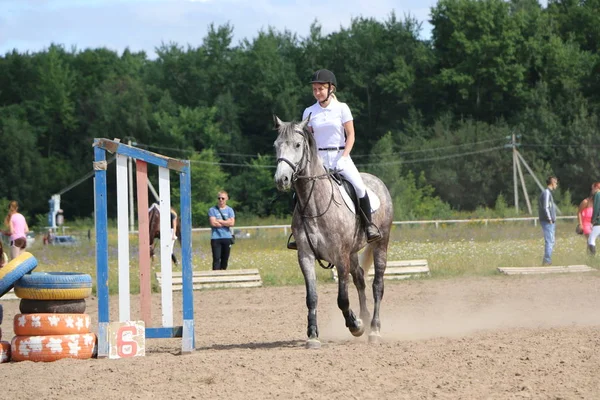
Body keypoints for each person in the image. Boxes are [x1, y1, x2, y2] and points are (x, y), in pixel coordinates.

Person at [287, 69, 381, 250]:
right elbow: (308, 138)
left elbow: (351, 135)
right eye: (314, 89)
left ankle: (369, 226)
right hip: (318, 159)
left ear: (331, 88)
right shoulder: (309, 111)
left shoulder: (342, 108)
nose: (317, 92)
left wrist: (345, 157)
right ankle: (297, 232)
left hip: (340, 155)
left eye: (320, 88)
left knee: (359, 187)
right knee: (297, 193)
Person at [208, 191, 235, 270]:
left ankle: (223, 273)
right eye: (219, 198)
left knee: (225, 259)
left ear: (226, 199)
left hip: (227, 237)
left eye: (223, 198)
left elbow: (232, 223)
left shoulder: (230, 210)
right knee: (216, 258)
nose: (221, 200)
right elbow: (213, 223)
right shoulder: (212, 210)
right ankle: (215, 276)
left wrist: (220, 221)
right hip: (216, 237)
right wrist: (226, 222)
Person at [538, 176, 558, 265]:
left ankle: (547, 259)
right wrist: (549, 219)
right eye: (556, 183)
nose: (556, 185)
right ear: (552, 182)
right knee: (549, 241)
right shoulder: (546, 193)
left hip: (550, 221)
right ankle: (547, 261)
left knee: (551, 241)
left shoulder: (548, 193)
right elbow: (546, 207)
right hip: (547, 221)